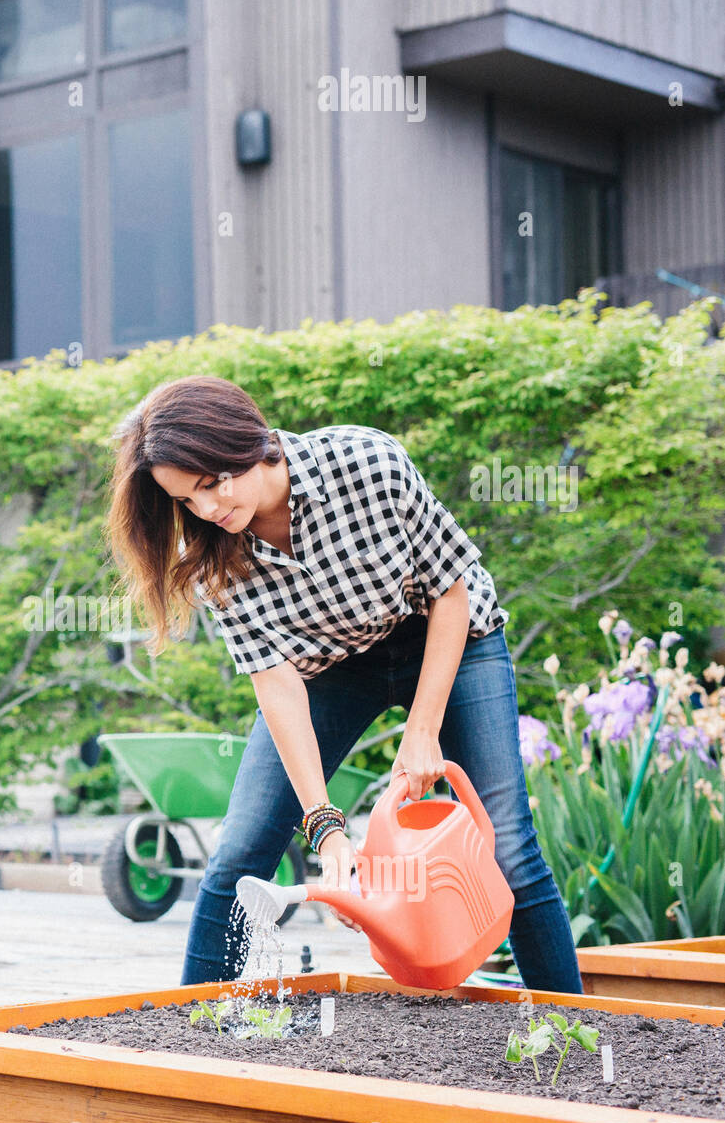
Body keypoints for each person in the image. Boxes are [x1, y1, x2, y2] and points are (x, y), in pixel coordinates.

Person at [105, 374, 582, 993]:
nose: (207, 509)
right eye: (187, 502)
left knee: (510, 845)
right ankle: (195, 1032)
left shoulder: (366, 461)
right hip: (328, 669)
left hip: (447, 639)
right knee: (238, 851)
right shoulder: (214, 561)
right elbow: (277, 686)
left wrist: (423, 729)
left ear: (242, 440)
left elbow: (453, 588)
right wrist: (326, 826)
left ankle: (571, 1028)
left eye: (209, 483)